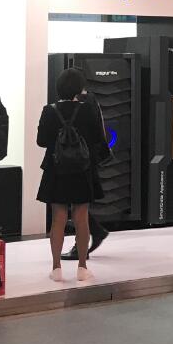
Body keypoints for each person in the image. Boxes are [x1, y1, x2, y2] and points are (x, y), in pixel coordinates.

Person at [36, 69, 109, 282]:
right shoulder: (87, 110)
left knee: (58, 218)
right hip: (82, 169)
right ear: (79, 88)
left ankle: (56, 268)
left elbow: (41, 141)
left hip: (56, 169)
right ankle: (82, 267)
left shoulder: (49, 111)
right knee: (81, 217)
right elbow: (98, 138)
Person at [60, 89, 109, 260]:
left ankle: (82, 245)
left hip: (80, 160)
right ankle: (95, 232)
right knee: (76, 204)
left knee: (76, 205)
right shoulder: (89, 99)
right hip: (85, 159)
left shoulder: (81, 101)